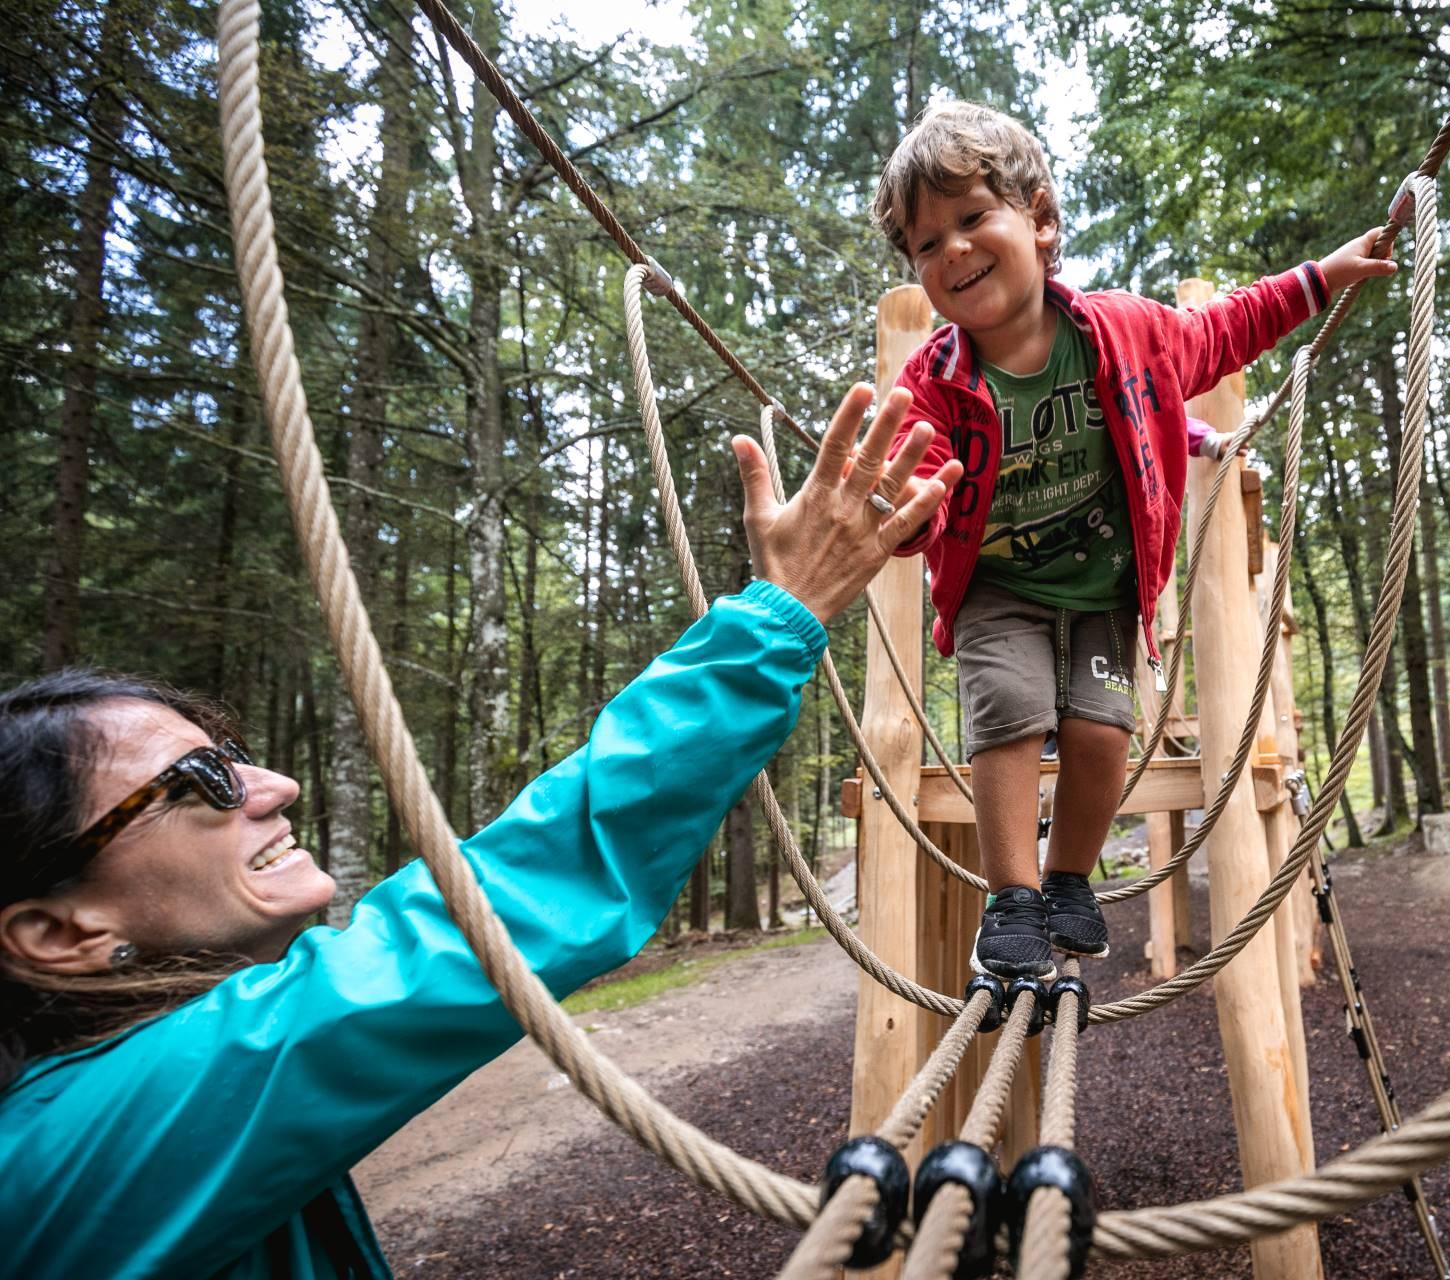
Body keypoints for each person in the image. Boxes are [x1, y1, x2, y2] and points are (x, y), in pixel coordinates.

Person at [0, 384, 961, 1279]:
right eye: (202, 779)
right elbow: (512, 896)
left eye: (239, 753)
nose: (276, 785)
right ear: (57, 932)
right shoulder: (63, 1158)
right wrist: (780, 615)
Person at [867, 99, 1396, 978]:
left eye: (971, 218)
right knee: (1005, 716)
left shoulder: (1127, 334)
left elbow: (1226, 329)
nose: (952, 249)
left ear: (1038, 222)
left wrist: (1322, 278)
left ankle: (1068, 879)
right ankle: (1012, 900)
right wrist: (904, 510)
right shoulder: (935, 381)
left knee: (1103, 730)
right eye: (927, 242)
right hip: (998, 586)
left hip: (1107, 587)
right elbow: (908, 499)